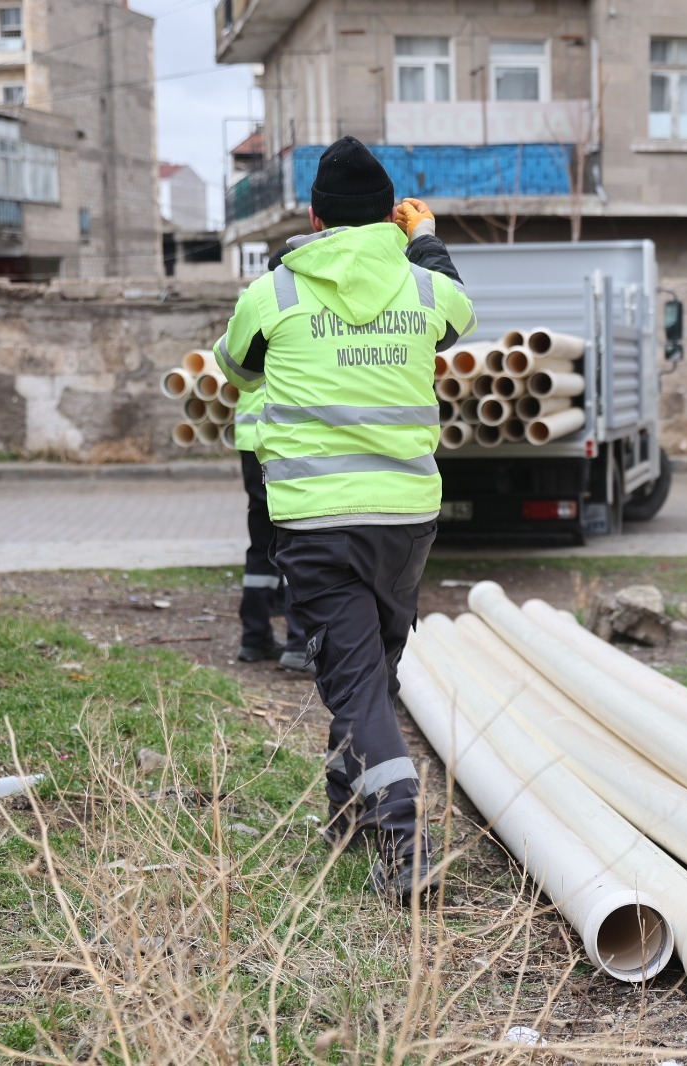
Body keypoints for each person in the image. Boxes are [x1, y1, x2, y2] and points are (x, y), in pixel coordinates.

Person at [214, 136, 476, 903]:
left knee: (357, 686)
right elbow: (458, 313)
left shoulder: (274, 294)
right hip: (405, 523)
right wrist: (424, 240)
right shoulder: (423, 287)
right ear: (391, 217)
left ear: (313, 216)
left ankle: (404, 841)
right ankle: (348, 818)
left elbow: (236, 366)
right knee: (368, 678)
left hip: (318, 524)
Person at [233, 379, 308, 672]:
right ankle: (301, 644)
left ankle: (254, 637)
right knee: (297, 538)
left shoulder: (249, 344)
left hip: (251, 441)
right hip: (286, 439)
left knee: (263, 542)